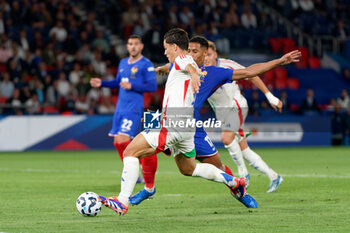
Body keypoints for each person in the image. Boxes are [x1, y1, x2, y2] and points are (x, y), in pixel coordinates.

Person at [98, 28, 301, 215]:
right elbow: (178, 65)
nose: (167, 52)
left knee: (131, 151)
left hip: (179, 122)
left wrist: (194, 73)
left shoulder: (197, 65)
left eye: (167, 49)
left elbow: (245, 72)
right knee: (188, 168)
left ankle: (123, 200)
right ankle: (151, 188)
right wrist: (164, 69)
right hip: (182, 123)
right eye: (191, 50)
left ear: (205, 54)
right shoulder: (180, 63)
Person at [204, 41, 283, 193]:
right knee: (244, 150)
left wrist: (270, 96)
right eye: (204, 54)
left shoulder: (227, 64)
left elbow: (251, 75)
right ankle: (273, 176)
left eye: (209, 54)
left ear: (215, 54)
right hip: (223, 115)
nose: (206, 58)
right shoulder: (199, 71)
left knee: (226, 139)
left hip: (236, 106)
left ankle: (243, 174)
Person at [90, 35, 158, 186]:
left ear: (141, 46)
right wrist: (102, 83)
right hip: (120, 108)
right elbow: (117, 83)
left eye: (136, 44)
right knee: (117, 141)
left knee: (122, 138)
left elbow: (152, 87)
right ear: (127, 47)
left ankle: (135, 170)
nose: (133, 46)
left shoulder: (146, 64)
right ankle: (133, 171)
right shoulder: (122, 63)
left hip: (133, 107)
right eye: (130, 44)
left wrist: (133, 86)